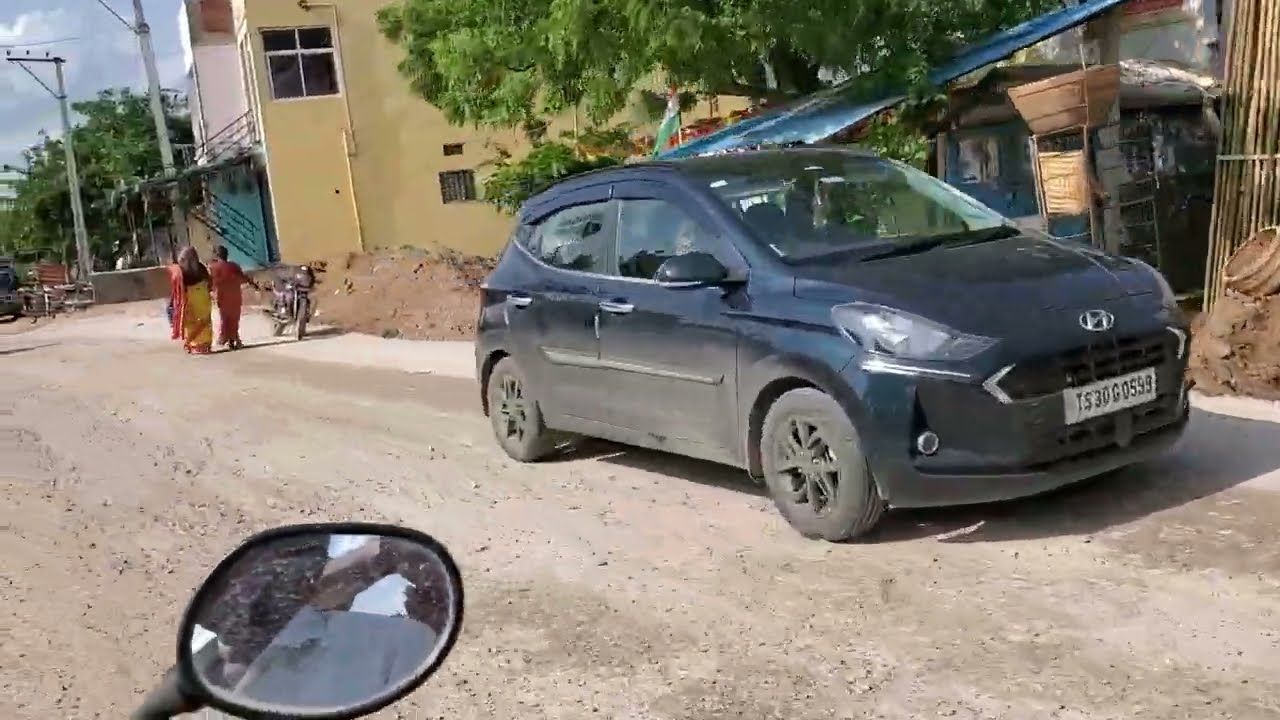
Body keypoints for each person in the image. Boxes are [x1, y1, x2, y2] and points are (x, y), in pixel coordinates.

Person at [208, 245, 260, 350]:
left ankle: (229, 339)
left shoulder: (214, 268)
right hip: (235, 296)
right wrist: (254, 285)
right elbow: (243, 277)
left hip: (222, 296)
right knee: (234, 318)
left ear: (216, 255)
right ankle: (233, 339)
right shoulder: (234, 266)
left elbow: (211, 283)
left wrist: (208, 292)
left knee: (225, 318)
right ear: (227, 255)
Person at [168, 247, 214, 354]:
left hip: (192, 298)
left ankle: (192, 344)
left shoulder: (182, 272)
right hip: (202, 297)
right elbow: (208, 283)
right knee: (203, 321)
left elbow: (178, 290)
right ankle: (199, 344)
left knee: (192, 322)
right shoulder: (201, 268)